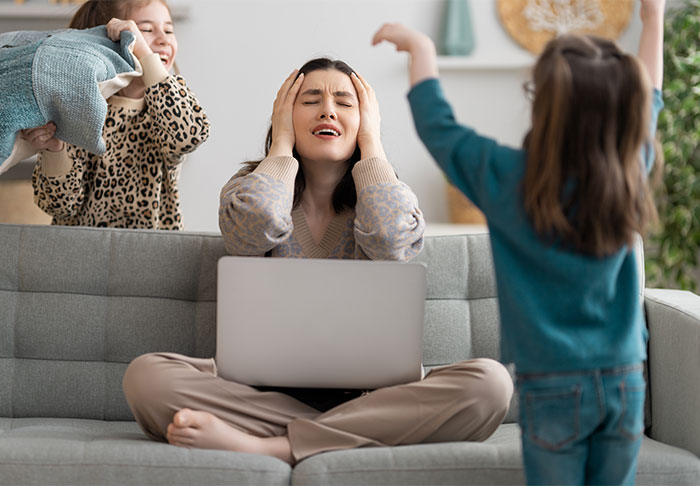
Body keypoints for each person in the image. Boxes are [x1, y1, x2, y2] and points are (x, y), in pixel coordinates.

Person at [122, 57, 514, 465]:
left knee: (490, 384)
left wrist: (372, 146)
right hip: (266, 399)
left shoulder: (390, 194)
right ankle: (352, 434)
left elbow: (389, 239)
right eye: (310, 99)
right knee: (147, 377)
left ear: (365, 120)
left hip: (373, 398)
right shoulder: (249, 190)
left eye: (345, 102)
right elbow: (255, 227)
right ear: (284, 115)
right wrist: (280, 147)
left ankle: (275, 446)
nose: (328, 109)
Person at [372, 0, 665, 483]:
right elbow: (650, 97)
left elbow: (439, 128)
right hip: (625, 378)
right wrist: (652, 19)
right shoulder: (628, 172)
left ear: (544, 106)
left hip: (552, 383)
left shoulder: (510, 180)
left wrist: (421, 49)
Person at [22, 0, 210, 229]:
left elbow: (190, 135)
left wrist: (142, 50)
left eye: (169, 30)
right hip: (83, 251)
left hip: (151, 253)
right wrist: (55, 151)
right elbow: (59, 205)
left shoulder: (167, 110)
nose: (163, 39)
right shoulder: (80, 111)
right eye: (146, 30)